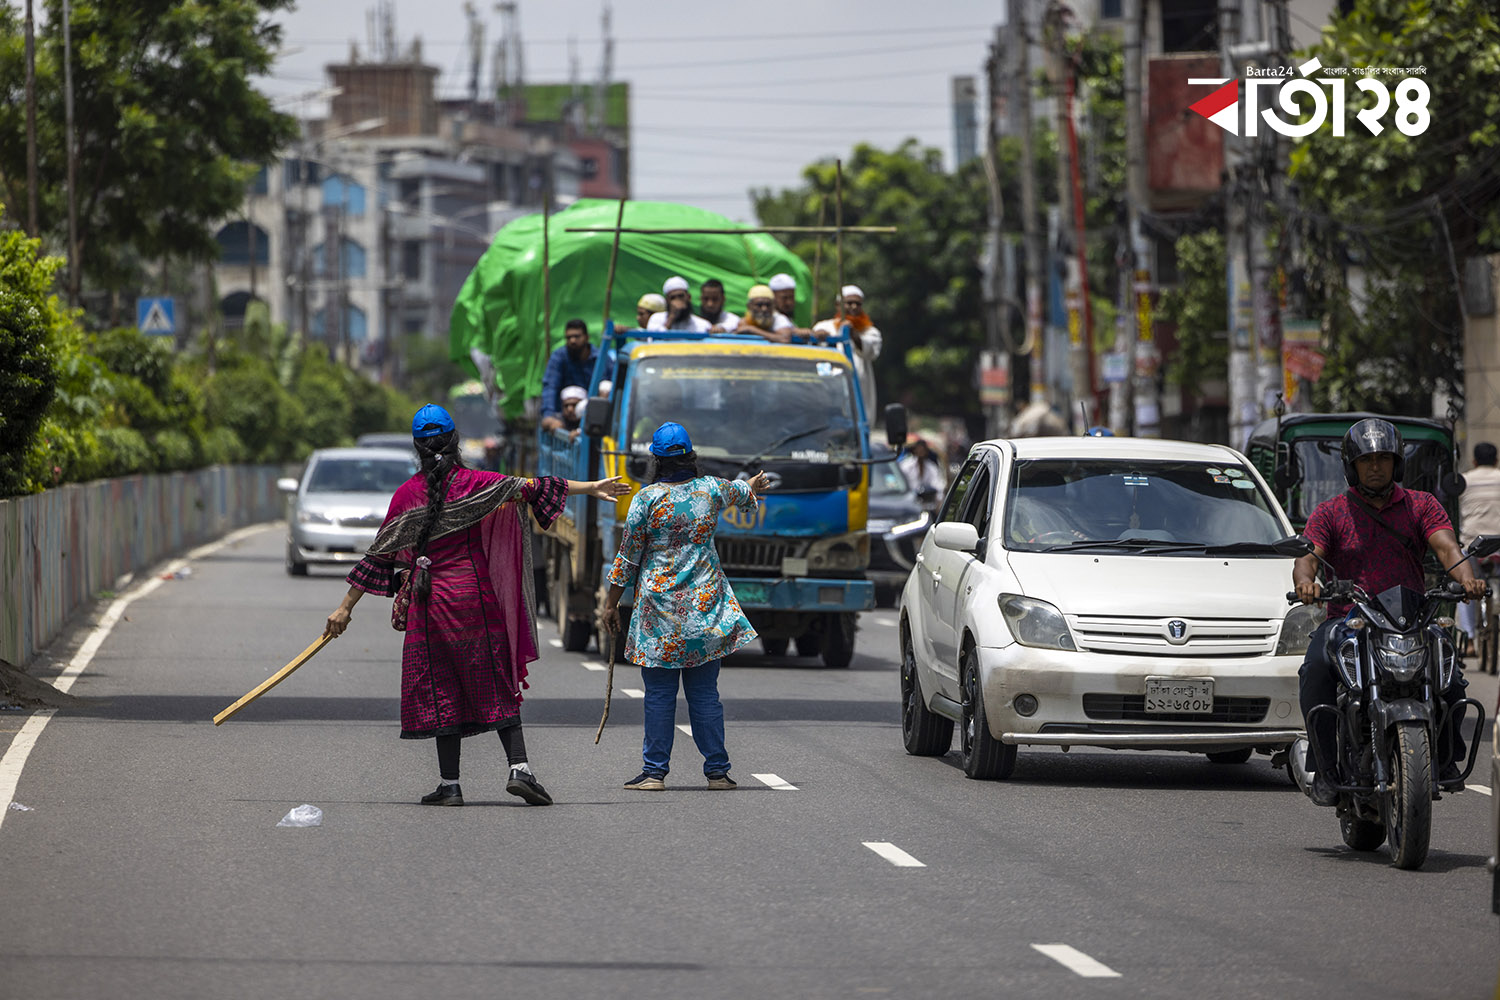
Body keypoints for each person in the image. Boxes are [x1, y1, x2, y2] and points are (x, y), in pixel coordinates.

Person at [323, 403, 631, 807]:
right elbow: (534, 488)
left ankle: (450, 786)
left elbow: (378, 556)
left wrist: (344, 608)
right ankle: (519, 768)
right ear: (455, 443)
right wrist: (591, 487)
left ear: (417, 447)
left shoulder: (405, 496)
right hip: (474, 601)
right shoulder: (478, 483)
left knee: (440, 689)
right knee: (494, 683)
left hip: (428, 607)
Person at [1291, 418, 1483, 805]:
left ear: (1398, 464)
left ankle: (1444, 760)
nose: (1376, 466)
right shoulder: (1331, 512)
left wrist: (1467, 579)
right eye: (1367, 460)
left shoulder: (1421, 504)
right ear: (1352, 465)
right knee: (1314, 670)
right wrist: (1306, 583)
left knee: (1452, 678)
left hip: (1411, 618)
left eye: (1384, 459)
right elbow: (1307, 556)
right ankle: (1326, 769)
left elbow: (1447, 547)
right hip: (1349, 618)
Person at [601, 422, 773, 790]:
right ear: (691, 457)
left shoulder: (645, 501)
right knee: (705, 694)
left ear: (657, 463)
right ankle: (717, 772)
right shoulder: (710, 490)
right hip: (705, 615)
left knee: (660, 695)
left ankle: (654, 773)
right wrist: (754, 486)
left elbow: (627, 560)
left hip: (659, 619)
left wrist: (609, 604)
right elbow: (741, 493)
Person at [812, 285, 883, 420]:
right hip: (829, 390)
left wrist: (853, 334)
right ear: (838, 305)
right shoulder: (823, 327)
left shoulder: (870, 332)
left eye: (858, 304)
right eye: (849, 303)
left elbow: (870, 352)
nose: (854, 307)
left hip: (858, 394)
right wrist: (817, 337)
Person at [1457, 442, 1500, 652]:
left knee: (1465, 584)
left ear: (1474, 461)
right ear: (1496, 461)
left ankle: (1470, 641)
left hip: (1472, 544)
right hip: (1499, 544)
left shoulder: (1464, 480)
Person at [541, 319, 607, 425]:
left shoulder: (601, 359)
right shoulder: (559, 357)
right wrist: (549, 416)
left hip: (593, 419)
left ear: (587, 337)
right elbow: (551, 386)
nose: (572, 340)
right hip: (564, 419)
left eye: (576, 336)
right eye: (568, 337)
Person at [647, 276, 712, 332]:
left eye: (681, 296)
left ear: (689, 297)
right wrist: (671, 318)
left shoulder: (703, 325)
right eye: (673, 298)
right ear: (667, 301)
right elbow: (652, 341)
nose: (677, 301)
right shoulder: (656, 319)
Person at [899, 437, 945, 501]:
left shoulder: (931, 467)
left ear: (926, 452)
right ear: (915, 450)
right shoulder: (906, 465)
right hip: (908, 500)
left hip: (927, 502)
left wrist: (939, 500)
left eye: (923, 450)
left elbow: (938, 486)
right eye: (919, 449)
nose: (921, 451)